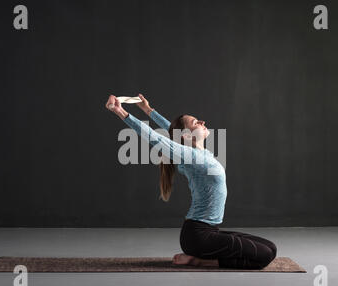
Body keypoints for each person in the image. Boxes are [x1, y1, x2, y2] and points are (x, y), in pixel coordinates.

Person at [105, 94, 277, 269]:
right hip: (198, 237)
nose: (202, 121)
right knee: (266, 255)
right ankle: (201, 261)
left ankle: (200, 257)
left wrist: (148, 110)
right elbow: (155, 137)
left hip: (207, 232)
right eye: (196, 122)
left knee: (271, 247)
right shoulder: (190, 156)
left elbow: (172, 132)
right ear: (187, 136)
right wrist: (120, 111)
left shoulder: (196, 153)